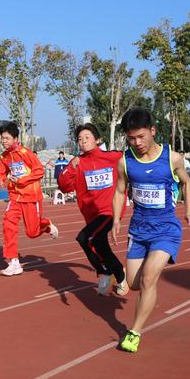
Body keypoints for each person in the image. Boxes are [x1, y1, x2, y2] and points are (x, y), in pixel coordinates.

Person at [111, 107, 190, 353]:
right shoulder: (125, 162)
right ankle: (143, 298)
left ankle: (134, 332)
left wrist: (189, 211)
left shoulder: (172, 158)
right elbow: (120, 191)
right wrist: (116, 219)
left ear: (152, 131)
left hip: (166, 229)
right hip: (138, 229)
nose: (136, 143)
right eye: (131, 138)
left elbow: (187, 182)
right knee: (134, 283)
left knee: (149, 278)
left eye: (141, 136)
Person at [57, 123, 127, 295]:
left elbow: (134, 160)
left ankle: (105, 273)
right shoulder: (77, 163)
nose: (83, 141)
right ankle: (117, 274)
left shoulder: (113, 157)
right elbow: (64, 187)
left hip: (110, 211)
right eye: (80, 139)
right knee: (100, 245)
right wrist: (71, 168)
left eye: (87, 137)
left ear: (98, 140)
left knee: (84, 238)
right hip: (91, 215)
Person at [0, 122, 58, 276]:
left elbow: (39, 171)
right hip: (15, 197)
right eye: (2, 138)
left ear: (15, 138)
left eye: (7, 138)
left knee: (32, 232)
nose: (4, 141)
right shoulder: (4, 157)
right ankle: (13, 262)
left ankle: (46, 225)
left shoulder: (26, 153)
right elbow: (1, 174)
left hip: (31, 196)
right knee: (8, 223)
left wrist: (22, 180)